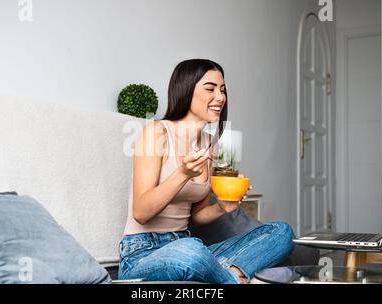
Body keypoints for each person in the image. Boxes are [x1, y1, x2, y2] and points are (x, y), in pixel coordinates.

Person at [119, 59, 294, 283]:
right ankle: (232, 278)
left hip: (187, 244)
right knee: (191, 251)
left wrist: (222, 207)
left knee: (282, 233)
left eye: (222, 90)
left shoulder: (210, 144)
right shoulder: (156, 132)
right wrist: (182, 174)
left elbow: (197, 216)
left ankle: (225, 274)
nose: (220, 97)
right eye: (210, 88)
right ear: (186, 90)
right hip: (143, 253)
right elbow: (141, 213)